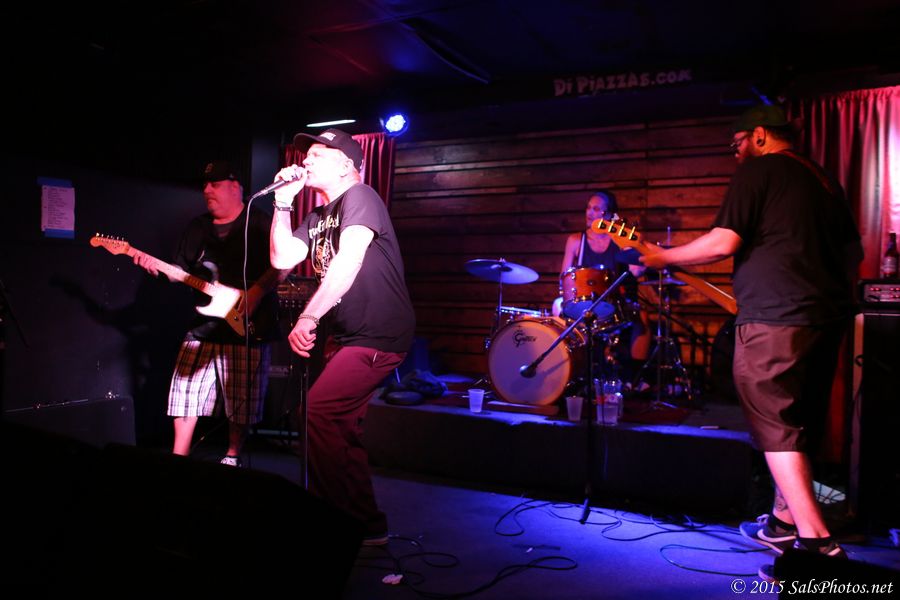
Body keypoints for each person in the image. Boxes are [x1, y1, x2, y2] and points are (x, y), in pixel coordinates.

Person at [640, 105, 862, 581]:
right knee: (798, 422)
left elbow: (723, 242)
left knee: (776, 425)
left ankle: (818, 548)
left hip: (774, 319)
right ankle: (783, 523)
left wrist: (663, 257)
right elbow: (853, 254)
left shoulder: (759, 171)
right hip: (825, 319)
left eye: (737, 142)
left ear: (759, 135)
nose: (735, 152)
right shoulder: (824, 181)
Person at [268, 128, 415, 546]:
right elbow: (281, 258)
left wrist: (308, 316)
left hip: (378, 332)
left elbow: (348, 261)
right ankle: (368, 525)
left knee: (317, 413)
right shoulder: (317, 217)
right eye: (306, 154)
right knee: (341, 429)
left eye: (318, 154)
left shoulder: (361, 196)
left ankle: (332, 524)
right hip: (348, 335)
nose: (306, 160)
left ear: (347, 164)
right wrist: (282, 202)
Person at [135, 161, 287, 465]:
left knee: (241, 402)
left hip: (247, 325)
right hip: (203, 325)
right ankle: (178, 457)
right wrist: (159, 269)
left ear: (235, 187)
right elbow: (181, 269)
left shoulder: (260, 222)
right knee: (183, 394)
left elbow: (283, 265)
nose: (206, 190)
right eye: (204, 185)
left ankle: (232, 456)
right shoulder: (198, 227)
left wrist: (256, 293)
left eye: (214, 184)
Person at [554, 191, 651, 380]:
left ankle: (634, 378)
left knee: (643, 317)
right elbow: (564, 277)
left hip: (614, 300)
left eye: (596, 208)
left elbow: (637, 272)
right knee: (558, 306)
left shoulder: (619, 239)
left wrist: (634, 245)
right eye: (588, 207)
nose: (590, 212)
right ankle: (567, 371)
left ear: (609, 214)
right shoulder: (576, 240)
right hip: (583, 301)